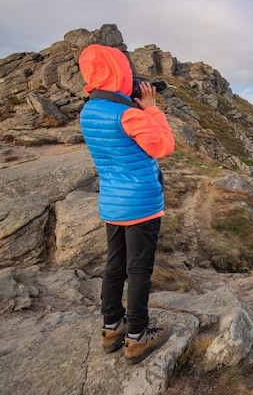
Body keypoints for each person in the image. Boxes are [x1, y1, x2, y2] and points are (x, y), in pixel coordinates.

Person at [78, 44, 175, 365]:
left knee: (114, 265)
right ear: (118, 73)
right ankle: (137, 336)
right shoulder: (128, 114)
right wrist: (151, 108)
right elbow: (163, 145)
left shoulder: (89, 111)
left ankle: (112, 327)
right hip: (141, 204)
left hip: (113, 202)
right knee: (139, 269)